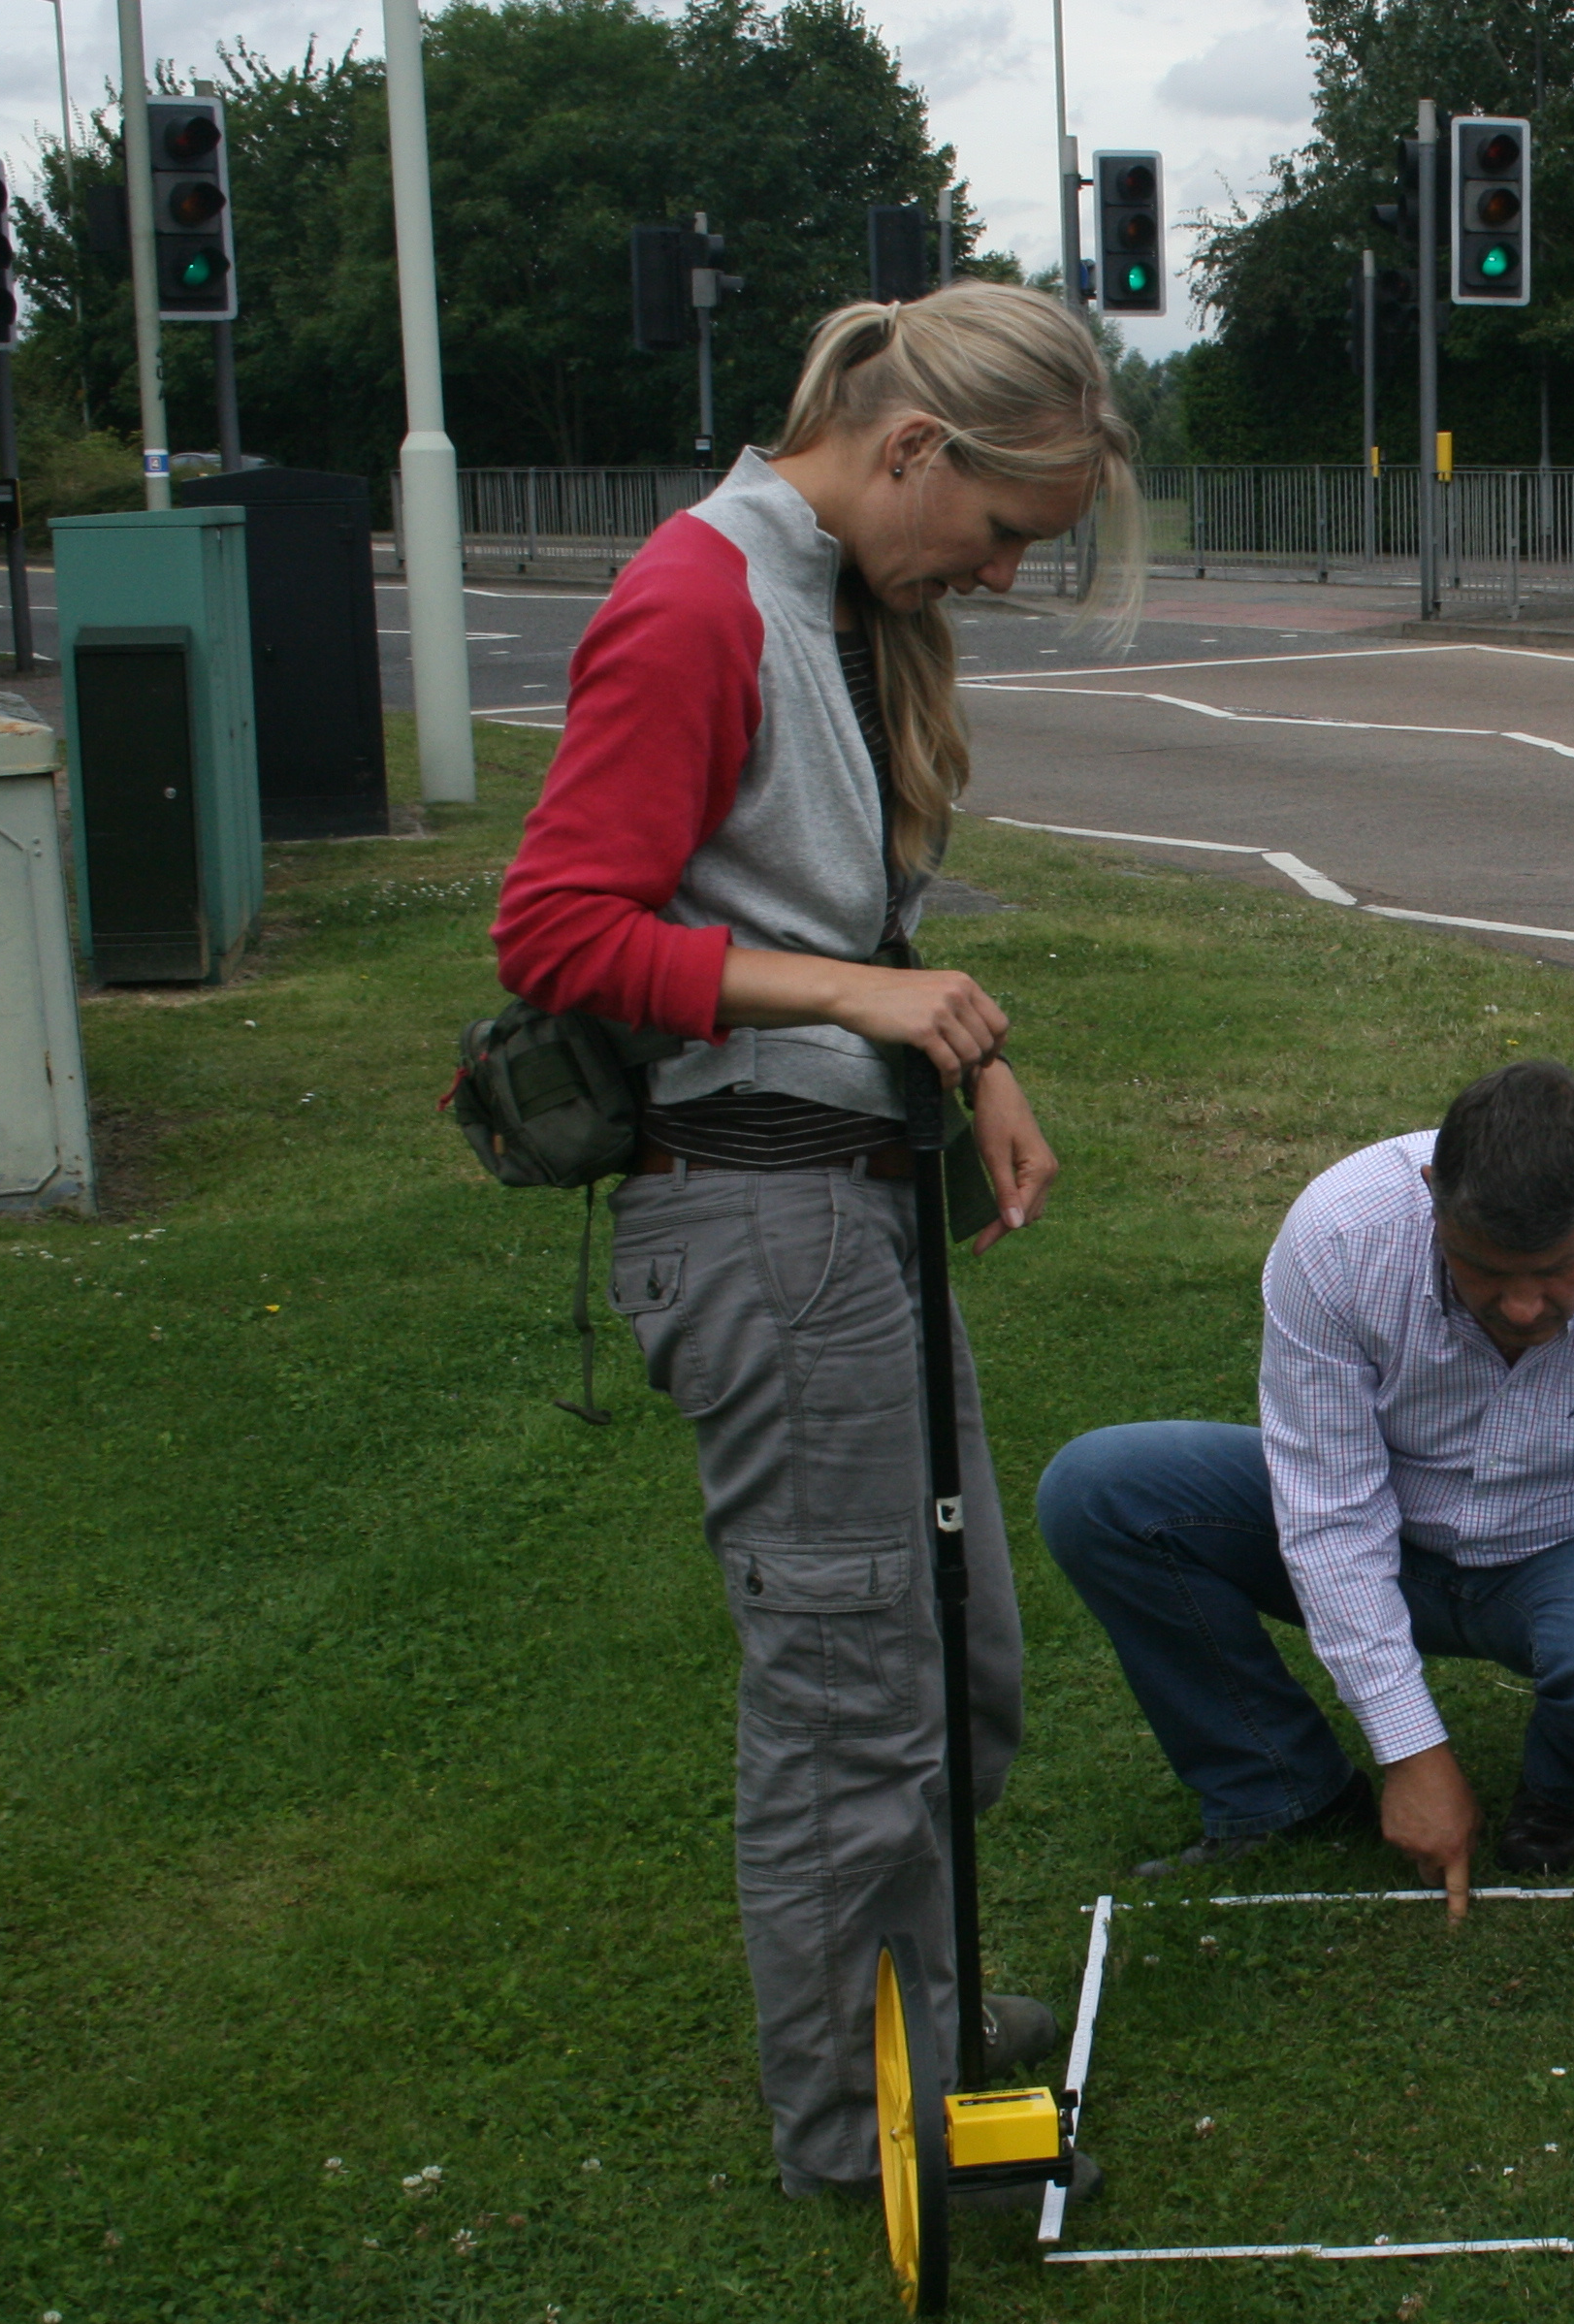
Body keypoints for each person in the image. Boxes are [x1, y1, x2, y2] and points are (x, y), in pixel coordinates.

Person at [489, 282, 1139, 2203]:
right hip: (760, 1222)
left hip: (850, 1208)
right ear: (912, 449)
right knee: (856, 1685)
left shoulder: (839, 602)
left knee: (955, 1663)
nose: (1006, 577)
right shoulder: (699, 601)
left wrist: (957, 1042)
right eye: (1008, 533)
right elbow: (556, 929)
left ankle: (919, 2016)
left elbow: (820, 915)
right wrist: (861, 1013)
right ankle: (868, 2128)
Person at [1039, 1061, 1574, 1925]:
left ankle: (1565, 1793)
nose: (1524, 1306)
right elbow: (1330, 1512)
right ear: (1430, 1195)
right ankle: (1281, 1788)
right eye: (1483, 1268)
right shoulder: (1341, 1235)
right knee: (1104, 1491)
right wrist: (1409, 1750)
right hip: (1390, 1513)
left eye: (1562, 1268)